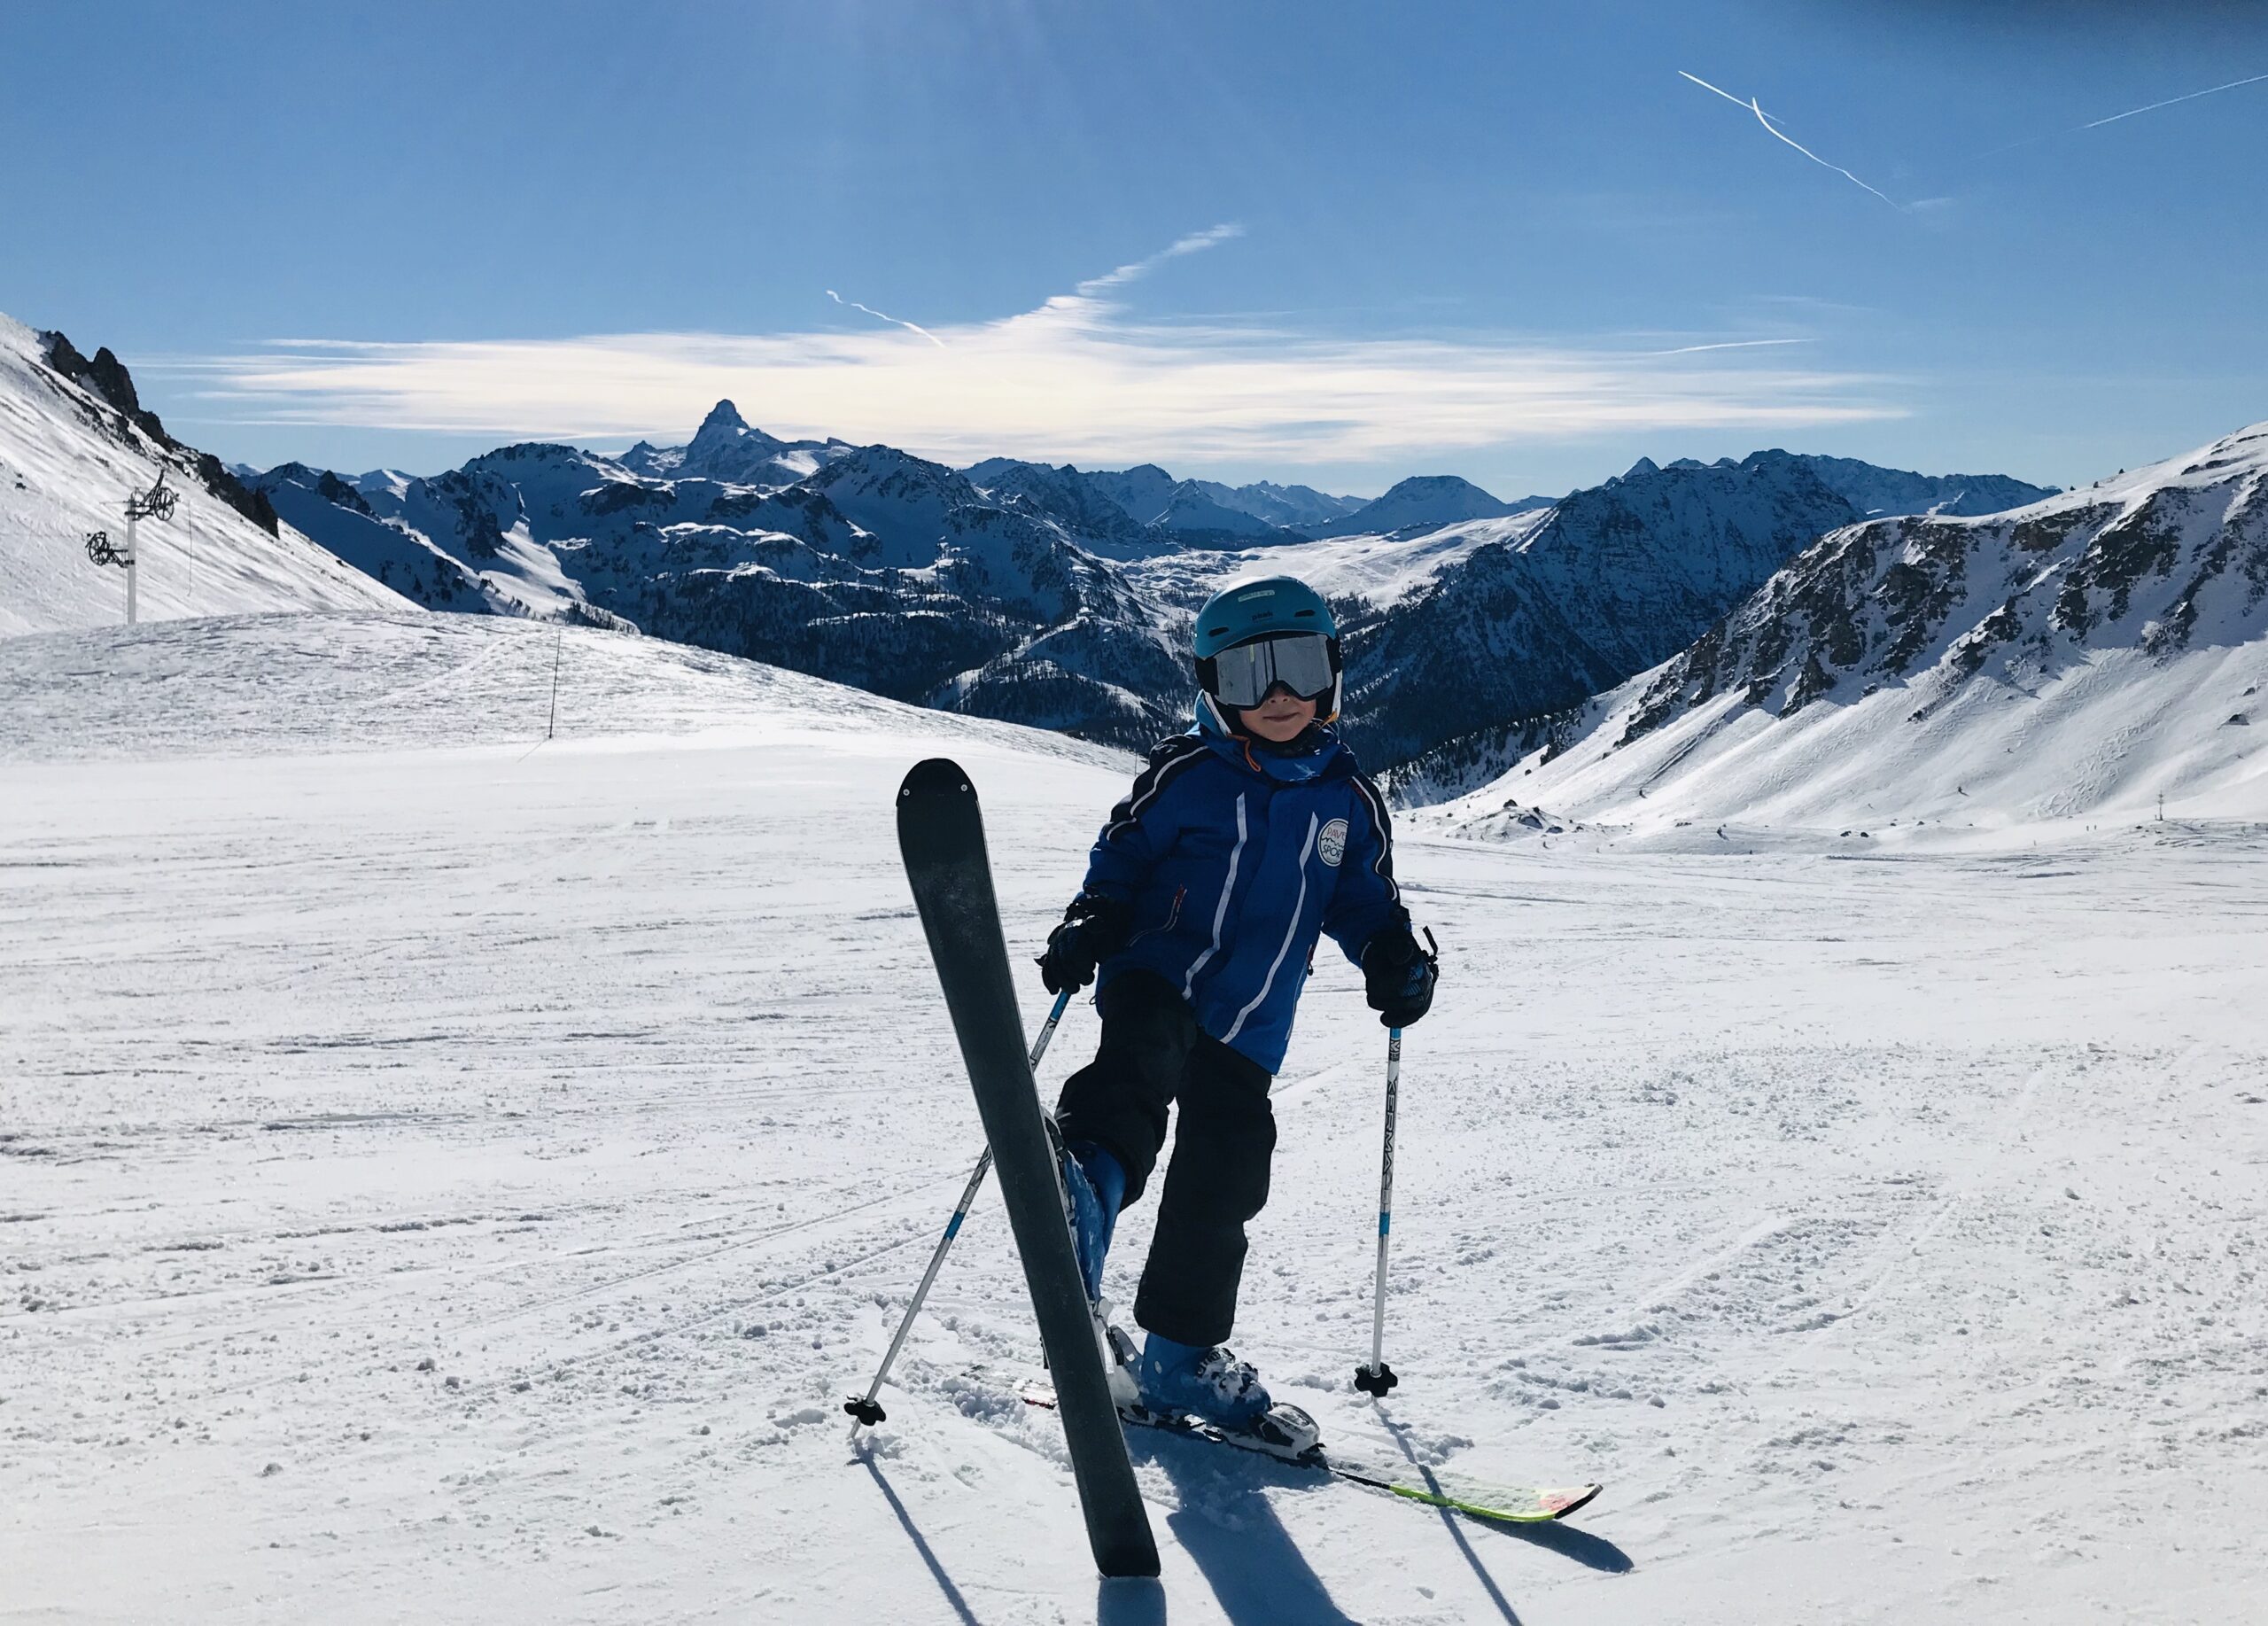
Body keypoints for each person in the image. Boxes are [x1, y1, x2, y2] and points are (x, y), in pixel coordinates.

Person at [1037, 574, 1438, 1442]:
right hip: (1159, 973)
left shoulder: (1347, 798)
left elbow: (1363, 903)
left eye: (1296, 666)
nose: (1280, 695)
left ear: (1331, 669)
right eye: (1251, 675)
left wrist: (1394, 958)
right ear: (1211, 685)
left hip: (1252, 1019)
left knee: (1228, 1168)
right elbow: (1121, 858)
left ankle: (1180, 1354)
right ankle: (1083, 1195)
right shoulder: (1184, 774)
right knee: (1139, 1059)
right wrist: (1093, 919)